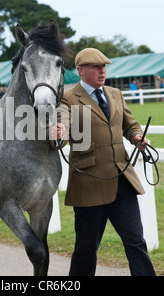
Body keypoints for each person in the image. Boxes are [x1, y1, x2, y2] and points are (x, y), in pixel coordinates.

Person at [52, 48, 156, 276]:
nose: (102, 71)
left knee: (136, 242)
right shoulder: (68, 98)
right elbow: (65, 127)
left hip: (123, 181)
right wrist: (60, 133)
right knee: (86, 250)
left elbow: (130, 125)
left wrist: (137, 136)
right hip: (90, 186)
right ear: (80, 70)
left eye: (104, 67)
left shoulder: (115, 93)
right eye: (96, 67)